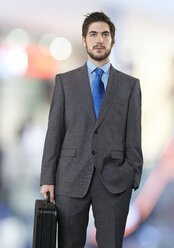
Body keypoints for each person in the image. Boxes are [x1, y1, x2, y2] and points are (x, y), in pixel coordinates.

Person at [40, 11, 143, 248]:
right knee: (69, 243)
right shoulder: (65, 82)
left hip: (115, 181)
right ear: (84, 40)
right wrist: (48, 178)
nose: (99, 40)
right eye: (93, 34)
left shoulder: (130, 86)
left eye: (105, 35)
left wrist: (132, 176)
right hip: (70, 178)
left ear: (113, 41)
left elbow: (134, 135)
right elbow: (54, 132)